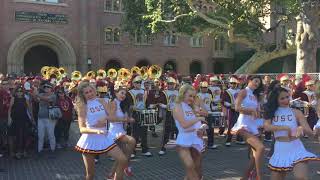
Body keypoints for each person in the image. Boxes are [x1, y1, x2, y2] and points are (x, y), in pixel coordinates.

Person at [74, 82, 128, 180]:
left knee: (122, 159)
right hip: (89, 140)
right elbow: (82, 129)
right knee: (90, 175)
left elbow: (112, 117)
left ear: (94, 90)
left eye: (91, 91)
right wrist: (96, 131)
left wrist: (105, 118)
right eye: (86, 93)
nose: (90, 94)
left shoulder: (102, 101)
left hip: (104, 137)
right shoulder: (83, 106)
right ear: (82, 95)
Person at [264, 87, 320, 180]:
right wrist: (285, 128)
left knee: (301, 177)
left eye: (287, 97)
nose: (286, 100)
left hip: (296, 148)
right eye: (282, 98)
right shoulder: (271, 113)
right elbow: (267, 127)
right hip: (280, 149)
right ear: (275, 100)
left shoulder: (296, 112)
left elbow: (309, 131)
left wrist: (313, 131)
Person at [231, 75, 265, 180]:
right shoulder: (243, 92)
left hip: (254, 125)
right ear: (249, 81)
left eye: (258, 83)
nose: (256, 84)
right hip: (243, 125)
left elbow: (256, 112)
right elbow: (236, 107)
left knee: (254, 156)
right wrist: (250, 111)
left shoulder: (255, 96)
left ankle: (245, 177)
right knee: (261, 148)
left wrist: (261, 114)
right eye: (255, 81)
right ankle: (259, 177)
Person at [173, 84, 207, 180]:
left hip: (196, 139)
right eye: (190, 96)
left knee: (197, 169)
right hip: (183, 140)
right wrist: (198, 118)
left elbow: (205, 114)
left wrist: (201, 129)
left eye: (193, 96)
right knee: (189, 165)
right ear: (182, 94)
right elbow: (184, 125)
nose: (192, 98)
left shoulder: (191, 107)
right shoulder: (177, 107)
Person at [106, 82, 136, 179]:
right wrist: (125, 119)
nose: (123, 95)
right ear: (116, 93)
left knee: (121, 156)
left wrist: (128, 118)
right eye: (121, 93)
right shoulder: (113, 103)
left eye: (125, 94)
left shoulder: (122, 104)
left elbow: (125, 119)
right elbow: (111, 119)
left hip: (121, 131)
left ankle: (112, 174)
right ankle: (126, 166)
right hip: (114, 132)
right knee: (132, 141)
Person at [7, 86, 34, 159]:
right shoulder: (13, 98)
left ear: (23, 92)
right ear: (15, 92)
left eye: (21, 91)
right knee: (17, 136)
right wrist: (9, 118)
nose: (19, 92)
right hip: (15, 119)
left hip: (24, 119)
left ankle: (24, 151)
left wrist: (32, 118)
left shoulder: (25, 99)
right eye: (18, 91)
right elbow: (9, 109)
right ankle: (17, 152)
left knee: (26, 135)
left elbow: (29, 109)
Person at [33, 82, 57, 154]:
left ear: (51, 89)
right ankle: (40, 151)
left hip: (50, 118)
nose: (46, 88)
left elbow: (48, 99)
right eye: (45, 87)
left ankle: (53, 150)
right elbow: (36, 100)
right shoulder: (41, 94)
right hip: (40, 117)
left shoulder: (53, 95)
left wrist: (37, 95)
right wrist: (34, 92)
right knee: (40, 135)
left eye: (48, 87)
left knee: (51, 135)